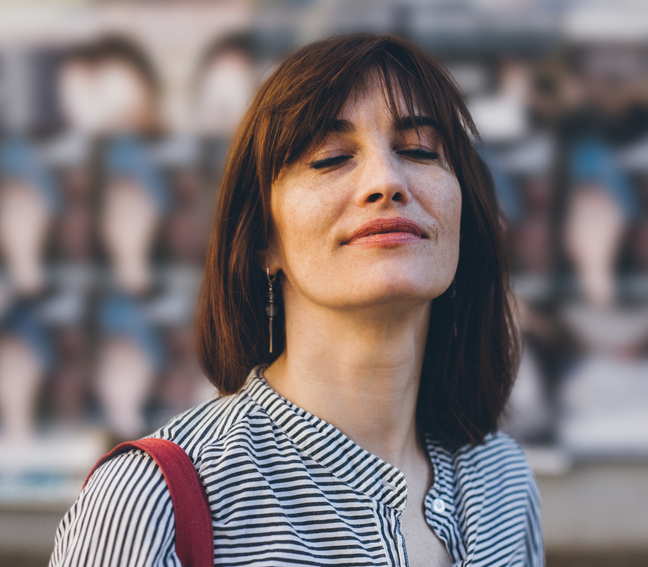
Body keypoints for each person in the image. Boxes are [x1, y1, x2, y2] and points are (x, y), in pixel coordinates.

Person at [50, 33, 544, 567]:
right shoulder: (149, 502)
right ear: (265, 239)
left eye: (420, 149)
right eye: (330, 158)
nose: (386, 181)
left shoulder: (503, 482)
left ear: (465, 215)